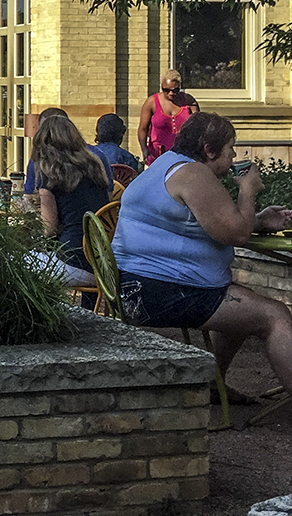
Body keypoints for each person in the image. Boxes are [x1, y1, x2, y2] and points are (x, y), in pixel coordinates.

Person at [112, 113, 292, 397]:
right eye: (230, 146)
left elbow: (202, 222)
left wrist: (258, 220)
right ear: (209, 149)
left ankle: (212, 384)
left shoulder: (166, 164)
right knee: (275, 315)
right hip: (164, 292)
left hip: (137, 288)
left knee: (244, 306)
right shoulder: (194, 174)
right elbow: (236, 235)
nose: (234, 154)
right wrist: (248, 189)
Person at [30, 114, 110, 292]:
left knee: (15, 265)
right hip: (104, 263)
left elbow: (48, 229)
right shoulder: (95, 166)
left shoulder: (48, 172)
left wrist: (30, 218)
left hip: (74, 262)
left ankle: (44, 318)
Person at [22, 107, 113, 205]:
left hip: (67, 218)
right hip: (98, 219)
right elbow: (109, 196)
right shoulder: (95, 158)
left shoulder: (42, 162)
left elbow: (30, 199)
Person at [137, 69, 199, 164]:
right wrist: (144, 149)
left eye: (175, 90)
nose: (171, 93)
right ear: (161, 86)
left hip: (183, 156)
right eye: (166, 90)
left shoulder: (187, 101)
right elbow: (143, 129)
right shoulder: (151, 102)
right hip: (157, 156)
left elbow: (198, 126)